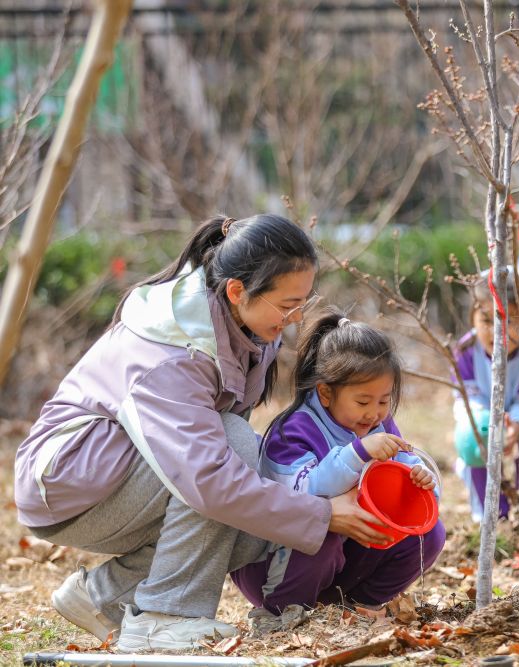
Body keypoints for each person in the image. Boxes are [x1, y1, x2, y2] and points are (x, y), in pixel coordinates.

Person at [14, 214, 391, 652]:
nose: (295, 318)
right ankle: (166, 617)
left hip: (122, 472)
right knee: (234, 455)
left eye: (303, 302)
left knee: (257, 517)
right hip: (69, 479)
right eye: (287, 304)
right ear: (237, 291)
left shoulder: (249, 329)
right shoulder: (175, 352)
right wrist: (321, 514)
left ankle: (103, 596)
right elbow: (210, 479)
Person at [230, 309, 446, 627]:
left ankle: (357, 606)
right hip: (272, 564)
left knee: (429, 533)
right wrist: (357, 453)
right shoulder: (292, 432)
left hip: (340, 560)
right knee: (321, 530)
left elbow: (403, 467)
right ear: (326, 393)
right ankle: (278, 612)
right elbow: (304, 494)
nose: (374, 413)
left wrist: (422, 482)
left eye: (383, 401)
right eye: (363, 402)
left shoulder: (377, 424)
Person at [452, 274, 519, 520]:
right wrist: (487, 423)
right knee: (473, 437)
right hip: (483, 417)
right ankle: (491, 513)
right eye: (487, 320)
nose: (497, 331)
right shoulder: (466, 351)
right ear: (472, 318)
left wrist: (516, 422)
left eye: (510, 321)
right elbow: (465, 399)